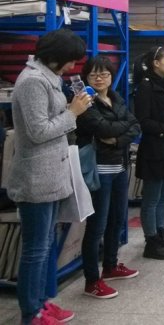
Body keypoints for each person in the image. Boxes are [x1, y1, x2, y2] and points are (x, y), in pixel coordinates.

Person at [7, 29, 91, 325]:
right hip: (36, 178)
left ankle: (42, 302)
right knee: (36, 249)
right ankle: (31, 313)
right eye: (70, 60)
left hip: (53, 173)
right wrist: (72, 113)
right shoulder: (32, 81)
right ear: (55, 56)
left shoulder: (49, 78)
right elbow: (38, 131)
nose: (72, 67)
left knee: (45, 246)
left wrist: (72, 110)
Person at [76, 56, 141, 299]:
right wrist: (120, 129)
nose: (99, 78)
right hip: (99, 170)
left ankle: (111, 266)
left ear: (111, 77)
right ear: (86, 77)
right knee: (97, 227)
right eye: (93, 74)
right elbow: (102, 129)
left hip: (120, 167)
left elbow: (135, 125)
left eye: (104, 74)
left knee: (116, 220)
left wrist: (116, 139)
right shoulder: (86, 103)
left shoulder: (116, 98)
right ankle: (92, 281)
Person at [134, 46, 164, 260]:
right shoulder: (146, 87)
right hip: (154, 149)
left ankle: (162, 234)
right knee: (152, 198)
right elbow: (143, 122)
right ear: (156, 63)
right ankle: (151, 241)